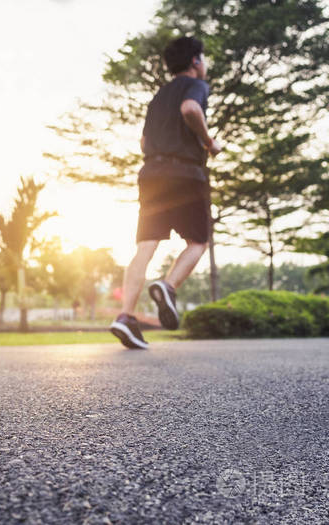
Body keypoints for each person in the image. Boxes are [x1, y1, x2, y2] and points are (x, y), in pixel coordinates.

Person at [110, 36, 222, 350]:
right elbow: (190, 110)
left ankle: (125, 317)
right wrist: (208, 143)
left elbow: (144, 143)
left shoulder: (157, 98)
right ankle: (168, 287)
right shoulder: (196, 86)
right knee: (198, 241)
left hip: (151, 174)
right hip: (185, 172)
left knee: (145, 246)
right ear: (195, 61)